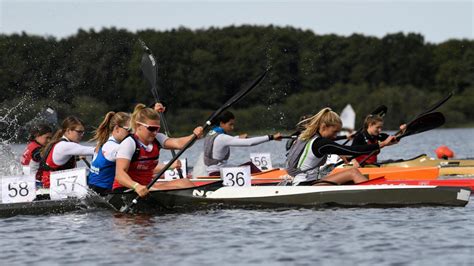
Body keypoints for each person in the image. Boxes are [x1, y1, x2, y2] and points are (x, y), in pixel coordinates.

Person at [286, 108, 397, 186]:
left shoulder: (311, 138)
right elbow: (352, 150)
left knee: (349, 180)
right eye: (334, 132)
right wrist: (381, 144)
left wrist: (339, 152)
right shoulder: (321, 143)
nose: (335, 136)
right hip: (305, 186)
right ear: (324, 127)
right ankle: (375, 195)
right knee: (353, 172)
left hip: (306, 183)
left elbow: (332, 148)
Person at [113, 104, 204, 197]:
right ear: (138, 125)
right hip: (127, 189)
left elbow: (179, 144)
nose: (155, 132)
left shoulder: (157, 138)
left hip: (147, 187)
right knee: (175, 188)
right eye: (151, 129)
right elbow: (119, 175)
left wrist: (194, 136)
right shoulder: (129, 143)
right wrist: (136, 186)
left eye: (157, 128)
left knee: (185, 183)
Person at [204, 111, 282, 176]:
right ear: (221, 123)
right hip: (217, 175)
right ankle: (267, 182)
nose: (232, 127)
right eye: (230, 124)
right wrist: (271, 137)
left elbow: (221, 142)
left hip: (213, 172)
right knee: (250, 166)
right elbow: (249, 143)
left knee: (248, 166)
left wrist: (238, 137)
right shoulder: (222, 137)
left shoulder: (211, 133)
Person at [39, 116, 95, 188]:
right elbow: (93, 150)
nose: (82, 135)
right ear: (68, 131)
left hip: (54, 184)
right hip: (51, 188)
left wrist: (77, 158)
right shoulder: (64, 145)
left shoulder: (61, 143)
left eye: (83, 132)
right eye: (79, 132)